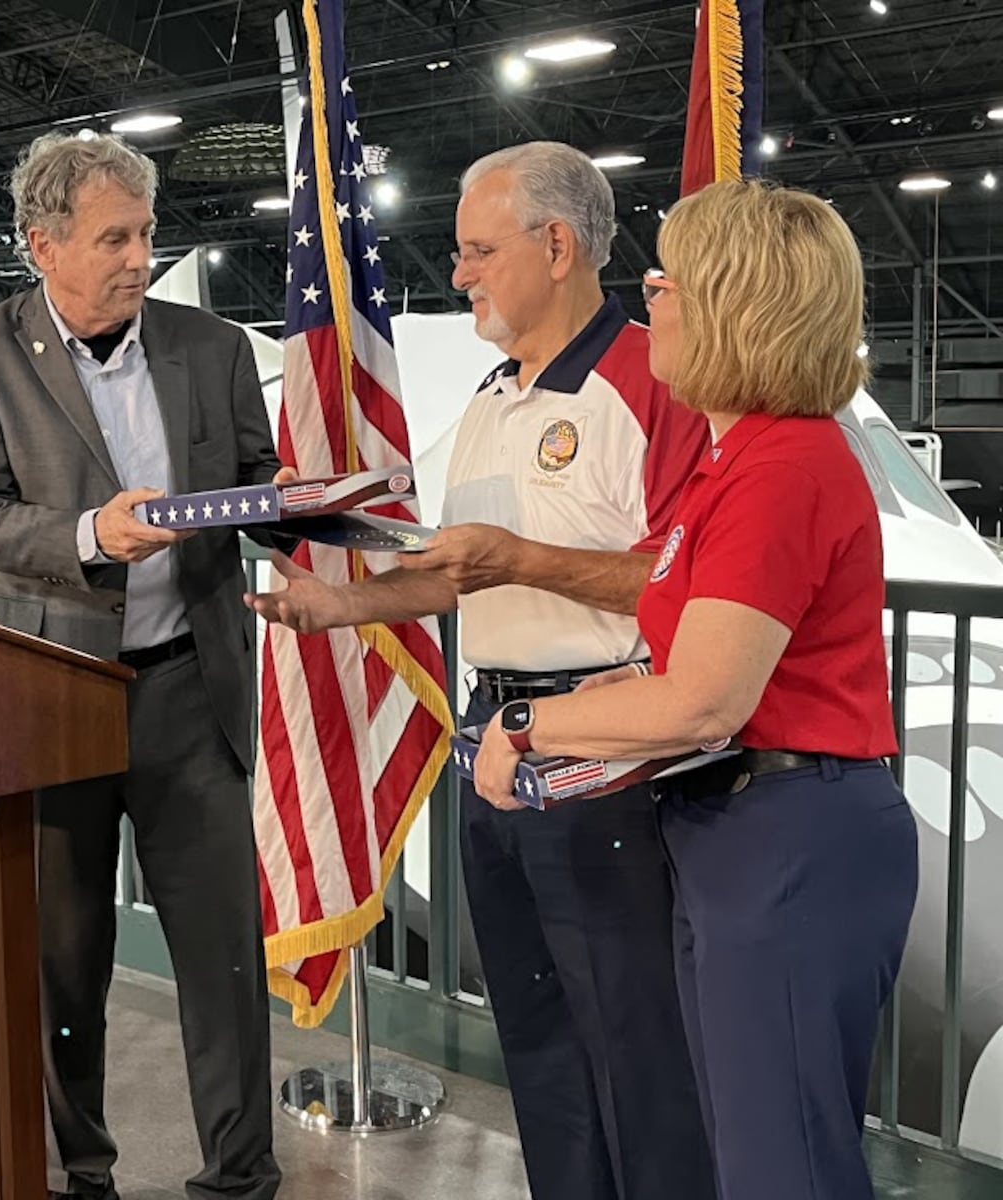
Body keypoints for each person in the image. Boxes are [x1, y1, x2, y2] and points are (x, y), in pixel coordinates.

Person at [246, 141, 714, 1200]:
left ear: (556, 246)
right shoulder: (496, 397)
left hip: (604, 752)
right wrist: (344, 602)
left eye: (476, 251)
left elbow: (685, 583)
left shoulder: (653, 383)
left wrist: (519, 560)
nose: (459, 274)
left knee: (637, 1051)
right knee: (539, 1043)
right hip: (493, 746)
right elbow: (466, 576)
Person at [468, 179, 918, 1199]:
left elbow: (702, 698)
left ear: (732, 306)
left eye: (666, 281)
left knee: (780, 1163)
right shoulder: (734, 463)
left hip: (788, 833)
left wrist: (530, 724)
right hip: (734, 827)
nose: (649, 298)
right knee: (746, 1145)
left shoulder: (781, 468)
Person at [0, 131, 284, 1200]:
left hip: (192, 689)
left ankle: (239, 1177)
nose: (139, 258)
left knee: (223, 965)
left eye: (145, 234)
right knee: (63, 966)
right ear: (42, 246)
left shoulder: (212, 346)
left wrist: (316, 511)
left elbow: (259, 477)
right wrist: (93, 533)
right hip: (56, 697)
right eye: (113, 238)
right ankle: (79, 1175)